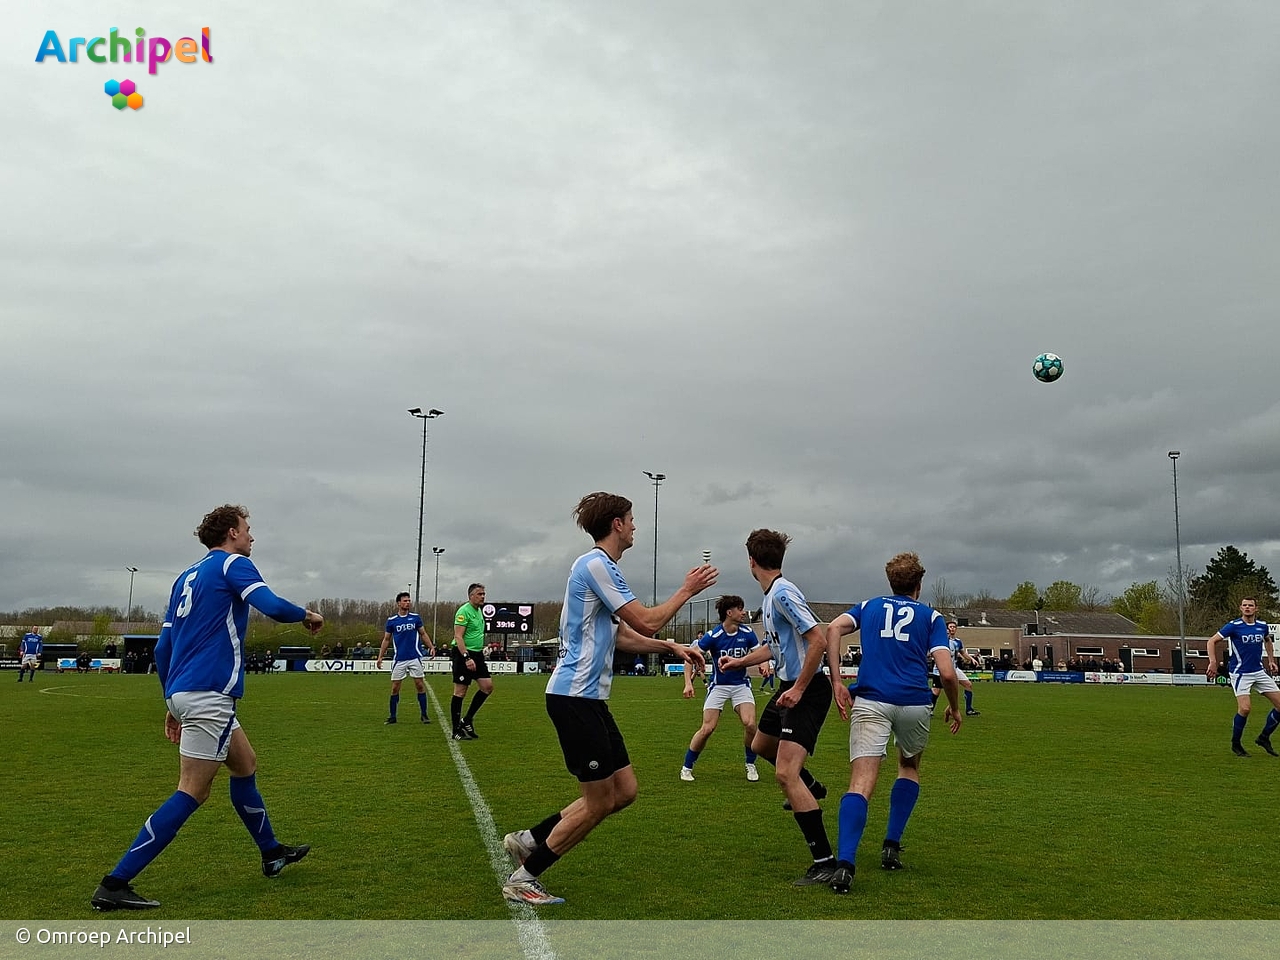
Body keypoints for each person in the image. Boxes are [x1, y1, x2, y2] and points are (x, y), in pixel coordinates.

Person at [90, 504, 324, 911]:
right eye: (248, 529)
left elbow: (162, 648)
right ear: (232, 533)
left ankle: (271, 853)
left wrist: (172, 701)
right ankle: (115, 883)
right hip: (210, 694)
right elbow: (270, 605)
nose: (252, 537)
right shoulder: (234, 564)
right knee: (192, 792)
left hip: (186, 692)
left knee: (245, 763)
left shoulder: (185, 577)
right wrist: (306, 615)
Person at [501, 491, 716, 905]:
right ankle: (525, 877)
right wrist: (686, 590)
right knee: (599, 802)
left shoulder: (602, 569)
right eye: (632, 519)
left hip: (588, 699)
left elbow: (624, 635)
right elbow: (647, 619)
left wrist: (672, 648)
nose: (635, 526)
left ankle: (529, 839)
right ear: (617, 524)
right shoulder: (597, 564)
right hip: (573, 697)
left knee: (625, 790)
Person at [825, 552, 962, 894]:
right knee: (909, 766)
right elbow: (946, 672)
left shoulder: (868, 606)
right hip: (914, 703)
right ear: (918, 584)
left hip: (871, 699)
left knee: (861, 782)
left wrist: (837, 681)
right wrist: (955, 707)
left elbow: (833, 628)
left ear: (891, 581)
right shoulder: (931, 617)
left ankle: (845, 865)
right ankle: (891, 845)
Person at [716, 529, 839, 886]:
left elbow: (817, 637)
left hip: (807, 689)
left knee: (785, 774)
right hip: (790, 686)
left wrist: (800, 688)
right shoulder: (771, 598)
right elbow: (775, 648)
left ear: (751, 562)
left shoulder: (783, 593)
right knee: (760, 745)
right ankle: (812, 786)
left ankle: (825, 862)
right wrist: (739, 663)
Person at [680, 595, 762, 782]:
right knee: (707, 728)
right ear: (729, 612)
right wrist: (688, 683)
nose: (743, 613)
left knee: (750, 724)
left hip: (741, 685)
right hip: (719, 686)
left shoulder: (747, 633)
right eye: (740, 609)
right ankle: (687, 766)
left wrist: (764, 664)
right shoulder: (713, 636)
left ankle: (750, 764)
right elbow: (690, 658)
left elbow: (759, 654)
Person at [1206, 597, 1280, 757]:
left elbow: (1267, 641)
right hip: (1240, 673)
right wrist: (1212, 662)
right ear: (1240, 608)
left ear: (1256, 608)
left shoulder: (1262, 626)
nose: (1247, 608)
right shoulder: (1234, 626)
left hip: (1259, 672)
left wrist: (1271, 661)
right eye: (1245, 605)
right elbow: (1212, 641)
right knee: (1245, 709)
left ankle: (1264, 738)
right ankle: (1236, 744)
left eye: (1250, 605)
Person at [377, 592, 436, 724]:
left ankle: (424, 715)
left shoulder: (415, 618)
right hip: (399, 658)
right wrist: (380, 656)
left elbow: (423, 633)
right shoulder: (392, 621)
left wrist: (431, 646)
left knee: (420, 685)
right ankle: (392, 716)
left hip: (414, 657)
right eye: (405, 601)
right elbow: (386, 639)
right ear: (398, 603)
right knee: (395, 688)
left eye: (409, 600)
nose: (408, 603)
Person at [450, 584, 494, 740]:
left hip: (477, 654)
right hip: (463, 654)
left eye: (484, 593)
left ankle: (467, 719)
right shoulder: (464, 611)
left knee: (487, 687)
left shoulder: (479, 611)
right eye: (479, 594)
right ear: (471, 596)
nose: (483, 596)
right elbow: (458, 637)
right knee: (460, 691)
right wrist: (466, 657)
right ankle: (456, 730)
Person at [930, 618, 981, 716]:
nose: (952, 629)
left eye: (954, 627)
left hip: (955, 669)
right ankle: (930, 710)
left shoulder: (958, 641)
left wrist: (972, 659)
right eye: (950, 627)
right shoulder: (942, 640)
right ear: (946, 629)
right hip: (941, 669)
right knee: (936, 691)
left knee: (968, 685)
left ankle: (969, 710)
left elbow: (962, 652)